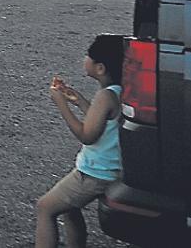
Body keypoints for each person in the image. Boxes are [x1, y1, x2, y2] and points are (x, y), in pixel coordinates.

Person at [34, 34, 124, 248]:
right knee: (68, 209)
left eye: (88, 56)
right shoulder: (118, 92)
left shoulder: (105, 97)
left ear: (100, 68)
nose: (84, 59)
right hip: (112, 169)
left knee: (45, 208)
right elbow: (105, 123)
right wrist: (80, 102)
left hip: (95, 173)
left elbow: (87, 135)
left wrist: (60, 104)